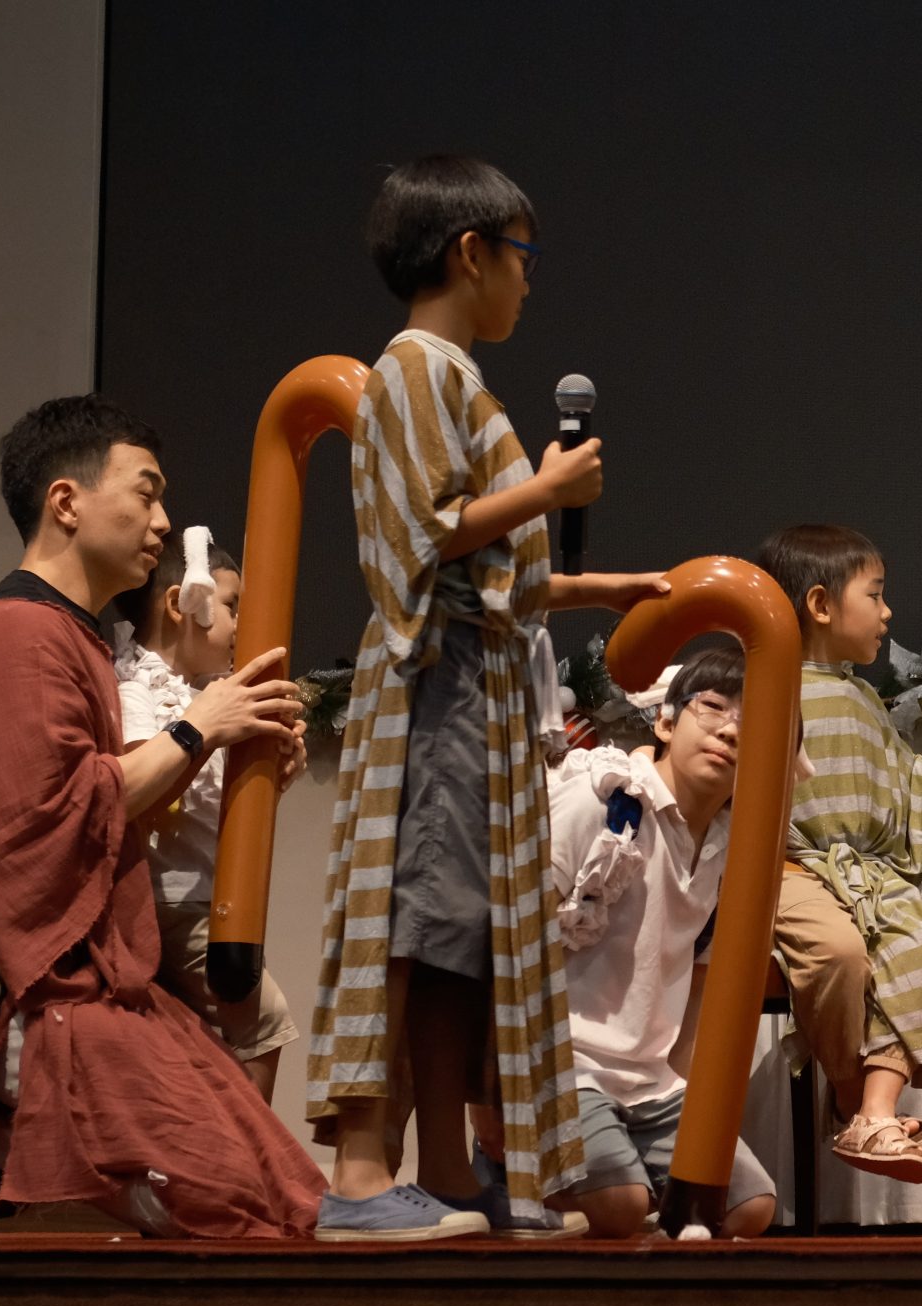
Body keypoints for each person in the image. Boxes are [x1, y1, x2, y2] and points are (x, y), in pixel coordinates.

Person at [0, 395, 325, 1239]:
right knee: (236, 1199)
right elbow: (38, 828)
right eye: (146, 493)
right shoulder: (16, 636)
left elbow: (99, 810)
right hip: (44, 989)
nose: (164, 520)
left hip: (95, 973)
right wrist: (197, 728)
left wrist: (215, 746)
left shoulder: (66, 639)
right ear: (66, 503)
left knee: (273, 1177)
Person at [312, 154, 670, 1241]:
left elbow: (479, 564)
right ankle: (365, 1176)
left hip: (474, 679)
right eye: (522, 256)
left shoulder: (450, 376)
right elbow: (420, 535)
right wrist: (547, 489)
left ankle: (448, 1176)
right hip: (435, 687)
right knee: (419, 920)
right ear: (469, 253)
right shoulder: (417, 367)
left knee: (465, 928)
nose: (528, 281)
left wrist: (584, 583)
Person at [753, 524, 922, 1183]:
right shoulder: (761, 687)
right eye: (876, 594)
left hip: (864, 876)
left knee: (915, 942)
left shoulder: (862, 697)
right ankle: (849, 1091)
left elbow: (902, 770)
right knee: (839, 951)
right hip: (788, 874)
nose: (889, 611)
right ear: (820, 604)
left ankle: (874, 1108)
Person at [541, 650, 778, 1240]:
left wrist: (690, 1103)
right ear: (667, 722)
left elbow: (697, 982)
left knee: (748, 1208)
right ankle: (514, 1167)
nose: (729, 730)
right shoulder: (605, 795)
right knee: (622, 1206)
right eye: (714, 708)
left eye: (753, 724)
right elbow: (514, 933)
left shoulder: (738, 850)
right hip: (566, 1063)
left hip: (652, 1081)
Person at [109, 526, 303, 1098]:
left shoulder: (207, 691)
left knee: (214, 1043)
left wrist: (274, 774)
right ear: (181, 603)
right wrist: (210, 730)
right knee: (264, 1022)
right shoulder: (133, 689)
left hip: (206, 892)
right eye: (231, 605)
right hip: (169, 896)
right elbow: (150, 781)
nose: (241, 625)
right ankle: (253, 1159)